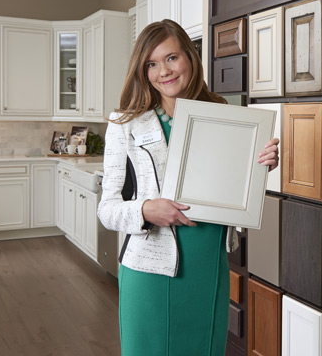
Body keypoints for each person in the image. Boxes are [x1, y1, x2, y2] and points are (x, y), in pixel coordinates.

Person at [97, 19, 279, 355]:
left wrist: (262, 165)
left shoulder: (223, 114)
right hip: (150, 269)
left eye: (171, 58)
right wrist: (145, 210)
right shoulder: (125, 123)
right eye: (151, 64)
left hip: (207, 264)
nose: (163, 71)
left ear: (190, 59)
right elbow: (106, 209)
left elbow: (232, 187)